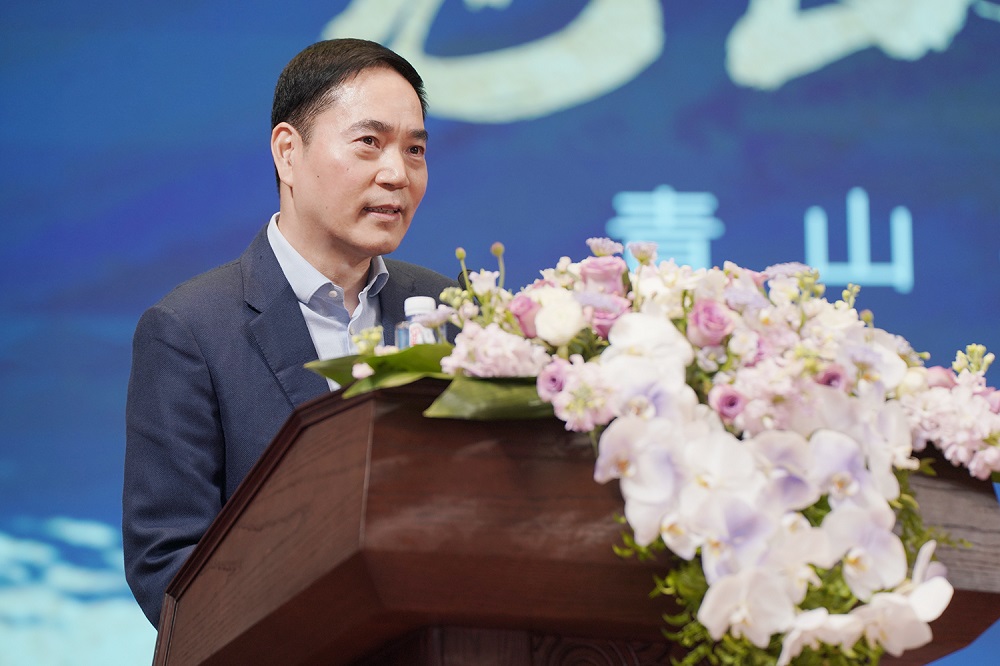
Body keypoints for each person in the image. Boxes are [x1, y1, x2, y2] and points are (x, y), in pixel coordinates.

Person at [122, 38, 456, 627]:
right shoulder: (189, 330)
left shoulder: (452, 310)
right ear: (287, 153)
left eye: (415, 150)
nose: (397, 174)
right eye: (369, 142)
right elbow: (168, 564)